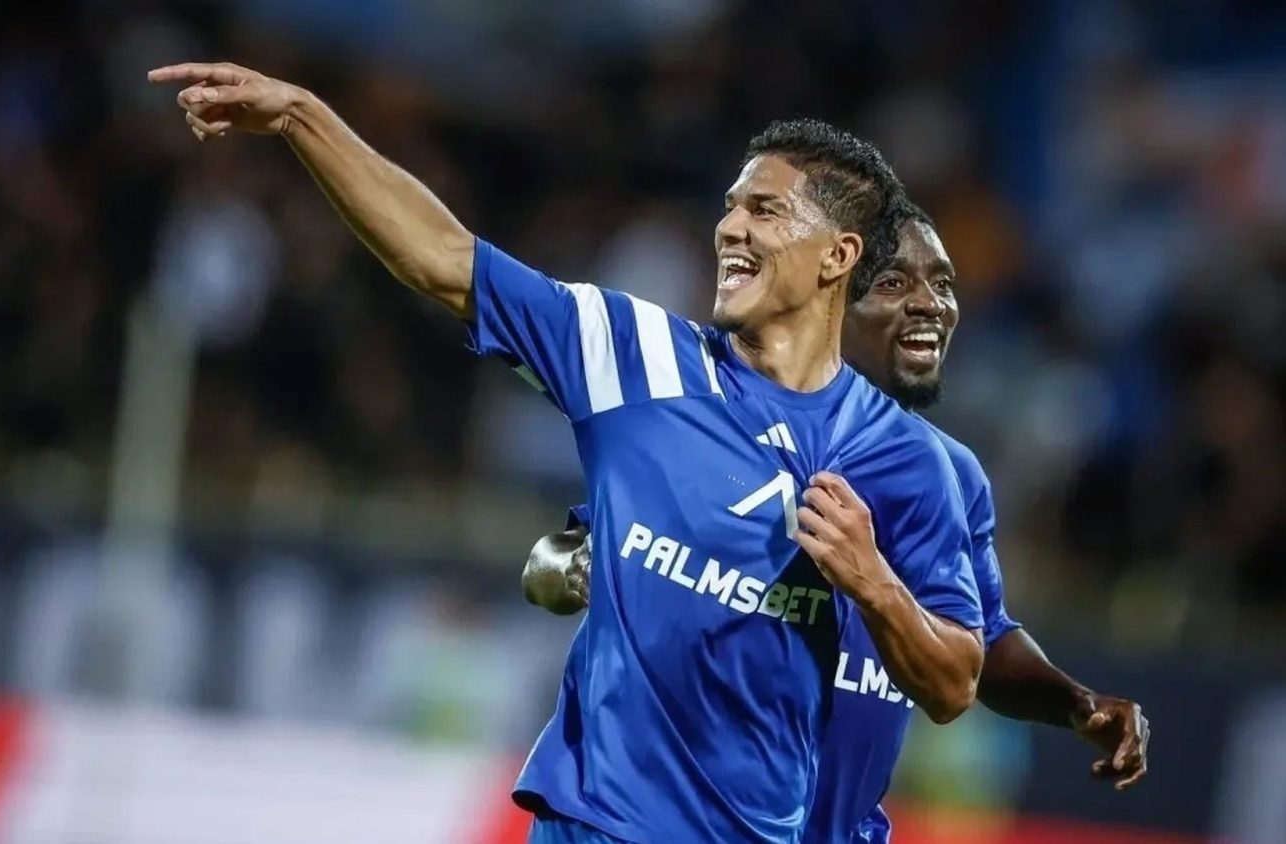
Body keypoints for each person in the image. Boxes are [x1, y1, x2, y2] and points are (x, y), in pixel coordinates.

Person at [149, 61, 986, 844]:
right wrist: (301, 117)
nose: (730, 227)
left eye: (765, 211)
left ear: (838, 255)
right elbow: (444, 259)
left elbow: (952, 684)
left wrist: (874, 584)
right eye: (731, 205)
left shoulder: (904, 461)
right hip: (592, 821)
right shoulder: (634, 354)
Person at [524, 199, 1152, 843]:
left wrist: (1074, 702)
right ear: (829, 300)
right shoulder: (722, 429)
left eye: (943, 284)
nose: (932, 304)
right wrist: (561, 561)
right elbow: (581, 551)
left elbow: (979, 644)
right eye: (895, 283)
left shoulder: (951, 475)